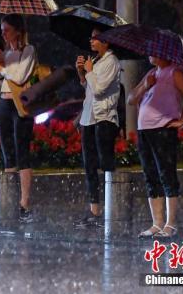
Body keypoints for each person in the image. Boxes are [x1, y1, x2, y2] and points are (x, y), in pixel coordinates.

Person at [128, 57, 183, 239]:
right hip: (145, 131)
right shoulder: (151, 74)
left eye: (155, 50)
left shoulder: (174, 73)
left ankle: (171, 224)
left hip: (163, 131)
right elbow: (130, 99)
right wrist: (145, 85)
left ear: (165, 53)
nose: (151, 54)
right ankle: (157, 223)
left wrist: (182, 120)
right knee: (151, 176)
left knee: (166, 175)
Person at [74, 26, 121, 228]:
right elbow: (90, 89)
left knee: (106, 164)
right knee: (89, 166)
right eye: (91, 38)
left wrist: (90, 72)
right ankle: (95, 211)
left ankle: (111, 210)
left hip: (104, 119)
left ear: (106, 41)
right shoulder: (97, 61)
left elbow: (100, 90)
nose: (91, 41)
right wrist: (81, 73)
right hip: (88, 119)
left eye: (96, 38)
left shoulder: (112, 61)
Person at [0, 14, 36, 223]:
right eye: (2, 30)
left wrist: (2, 69)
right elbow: (5, 81)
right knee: (7, 151)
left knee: (21, 150)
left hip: (21, 105)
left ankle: (25, 202)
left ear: (18, 31)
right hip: (4, 103)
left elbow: (19, 77)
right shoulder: (7, 53)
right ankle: (9, 199)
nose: (3, 33)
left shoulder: (29, 51)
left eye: (6, 29)